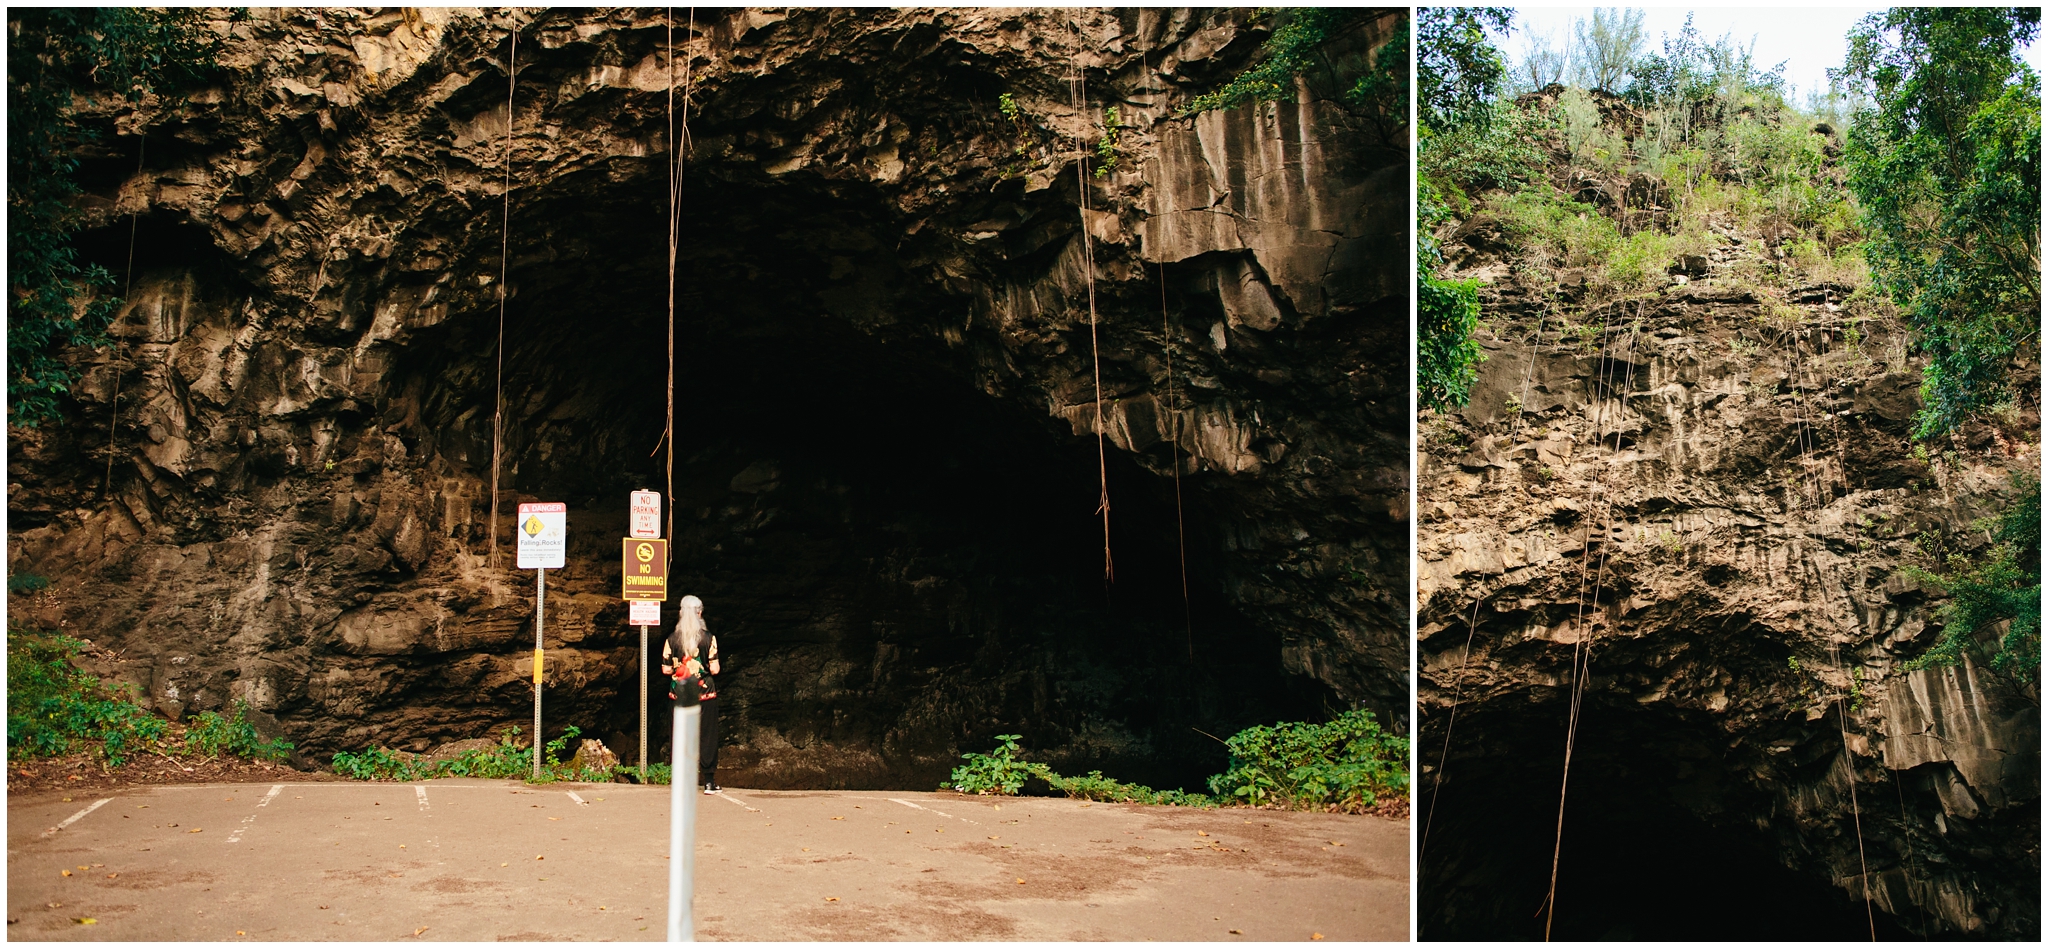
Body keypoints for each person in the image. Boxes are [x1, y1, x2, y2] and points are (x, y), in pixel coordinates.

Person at [661, 594, 722, 793]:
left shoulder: (671, 639)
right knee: (707, 735)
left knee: (679, 735)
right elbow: (715, 669)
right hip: (705, 693)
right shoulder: (709, 638)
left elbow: (666, 669)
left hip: (679, 694)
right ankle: (709, 782)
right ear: (700, 613)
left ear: (680, 613)